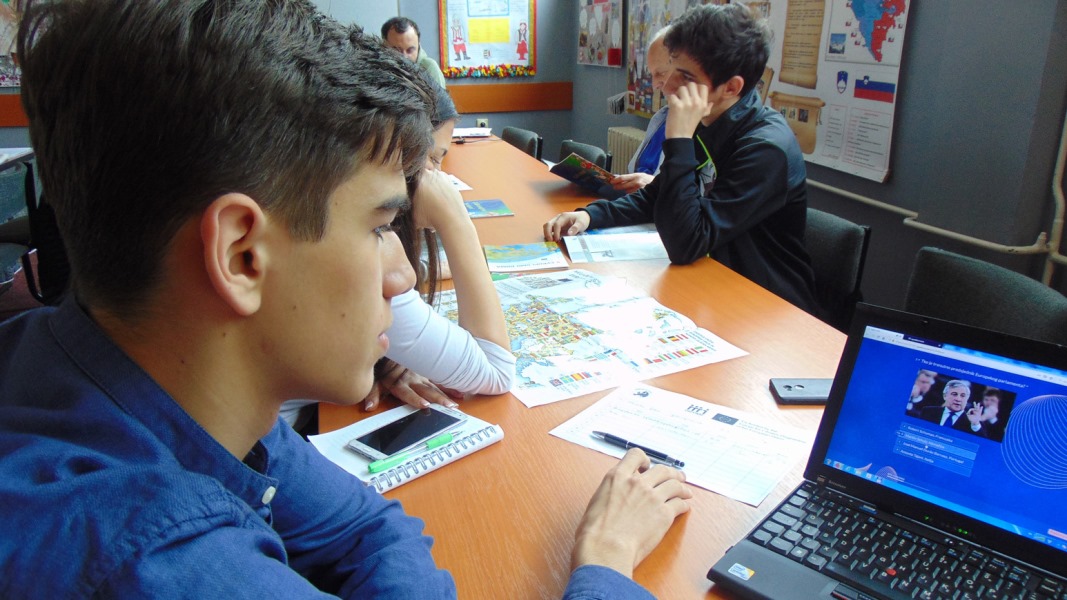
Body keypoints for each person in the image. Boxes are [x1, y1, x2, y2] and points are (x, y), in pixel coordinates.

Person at [0, 1, 691, 597]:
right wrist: (605, 563)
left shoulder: (168, 382)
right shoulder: (150, 560)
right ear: (241, 256)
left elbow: (371, 528)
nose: (401, 277)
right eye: (379, 228)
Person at [545, 4, 818, 314]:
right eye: (672, 68)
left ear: (731, 87)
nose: (669, 84)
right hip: (713, 283)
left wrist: (678, 139)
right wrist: (592, 216)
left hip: (766, 305)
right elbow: (657, 195)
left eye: (686, 76)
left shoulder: (766, 149)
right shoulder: (710, 117)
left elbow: (685, 244)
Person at [280, 85, 515, 425]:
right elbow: (496, 372)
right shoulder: (360, 260)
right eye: (431, 159)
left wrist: (384, 358)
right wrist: (456, 220)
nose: (439, 176)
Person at [610, 26, 672, 195]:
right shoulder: (662, 117)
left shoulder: (703, 129)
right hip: (639, 202)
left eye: (661, 73)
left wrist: (653, 184)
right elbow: (636, 169)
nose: (654, 84)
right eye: (652, 75)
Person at [382, 16, 447, 88]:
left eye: (410, 50)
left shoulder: (429, 68)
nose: (404, 57)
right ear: (384, 45)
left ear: (418, 44)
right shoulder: (378, 67)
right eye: (397, 50)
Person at [918, 380, 986, 436]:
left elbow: (983, 444)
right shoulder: (928, 411)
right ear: (945, 396)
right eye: (954, 394)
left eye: (963, 396)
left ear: (967, 399)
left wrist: (975, 424)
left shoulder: (973, 422)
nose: (958, 399)